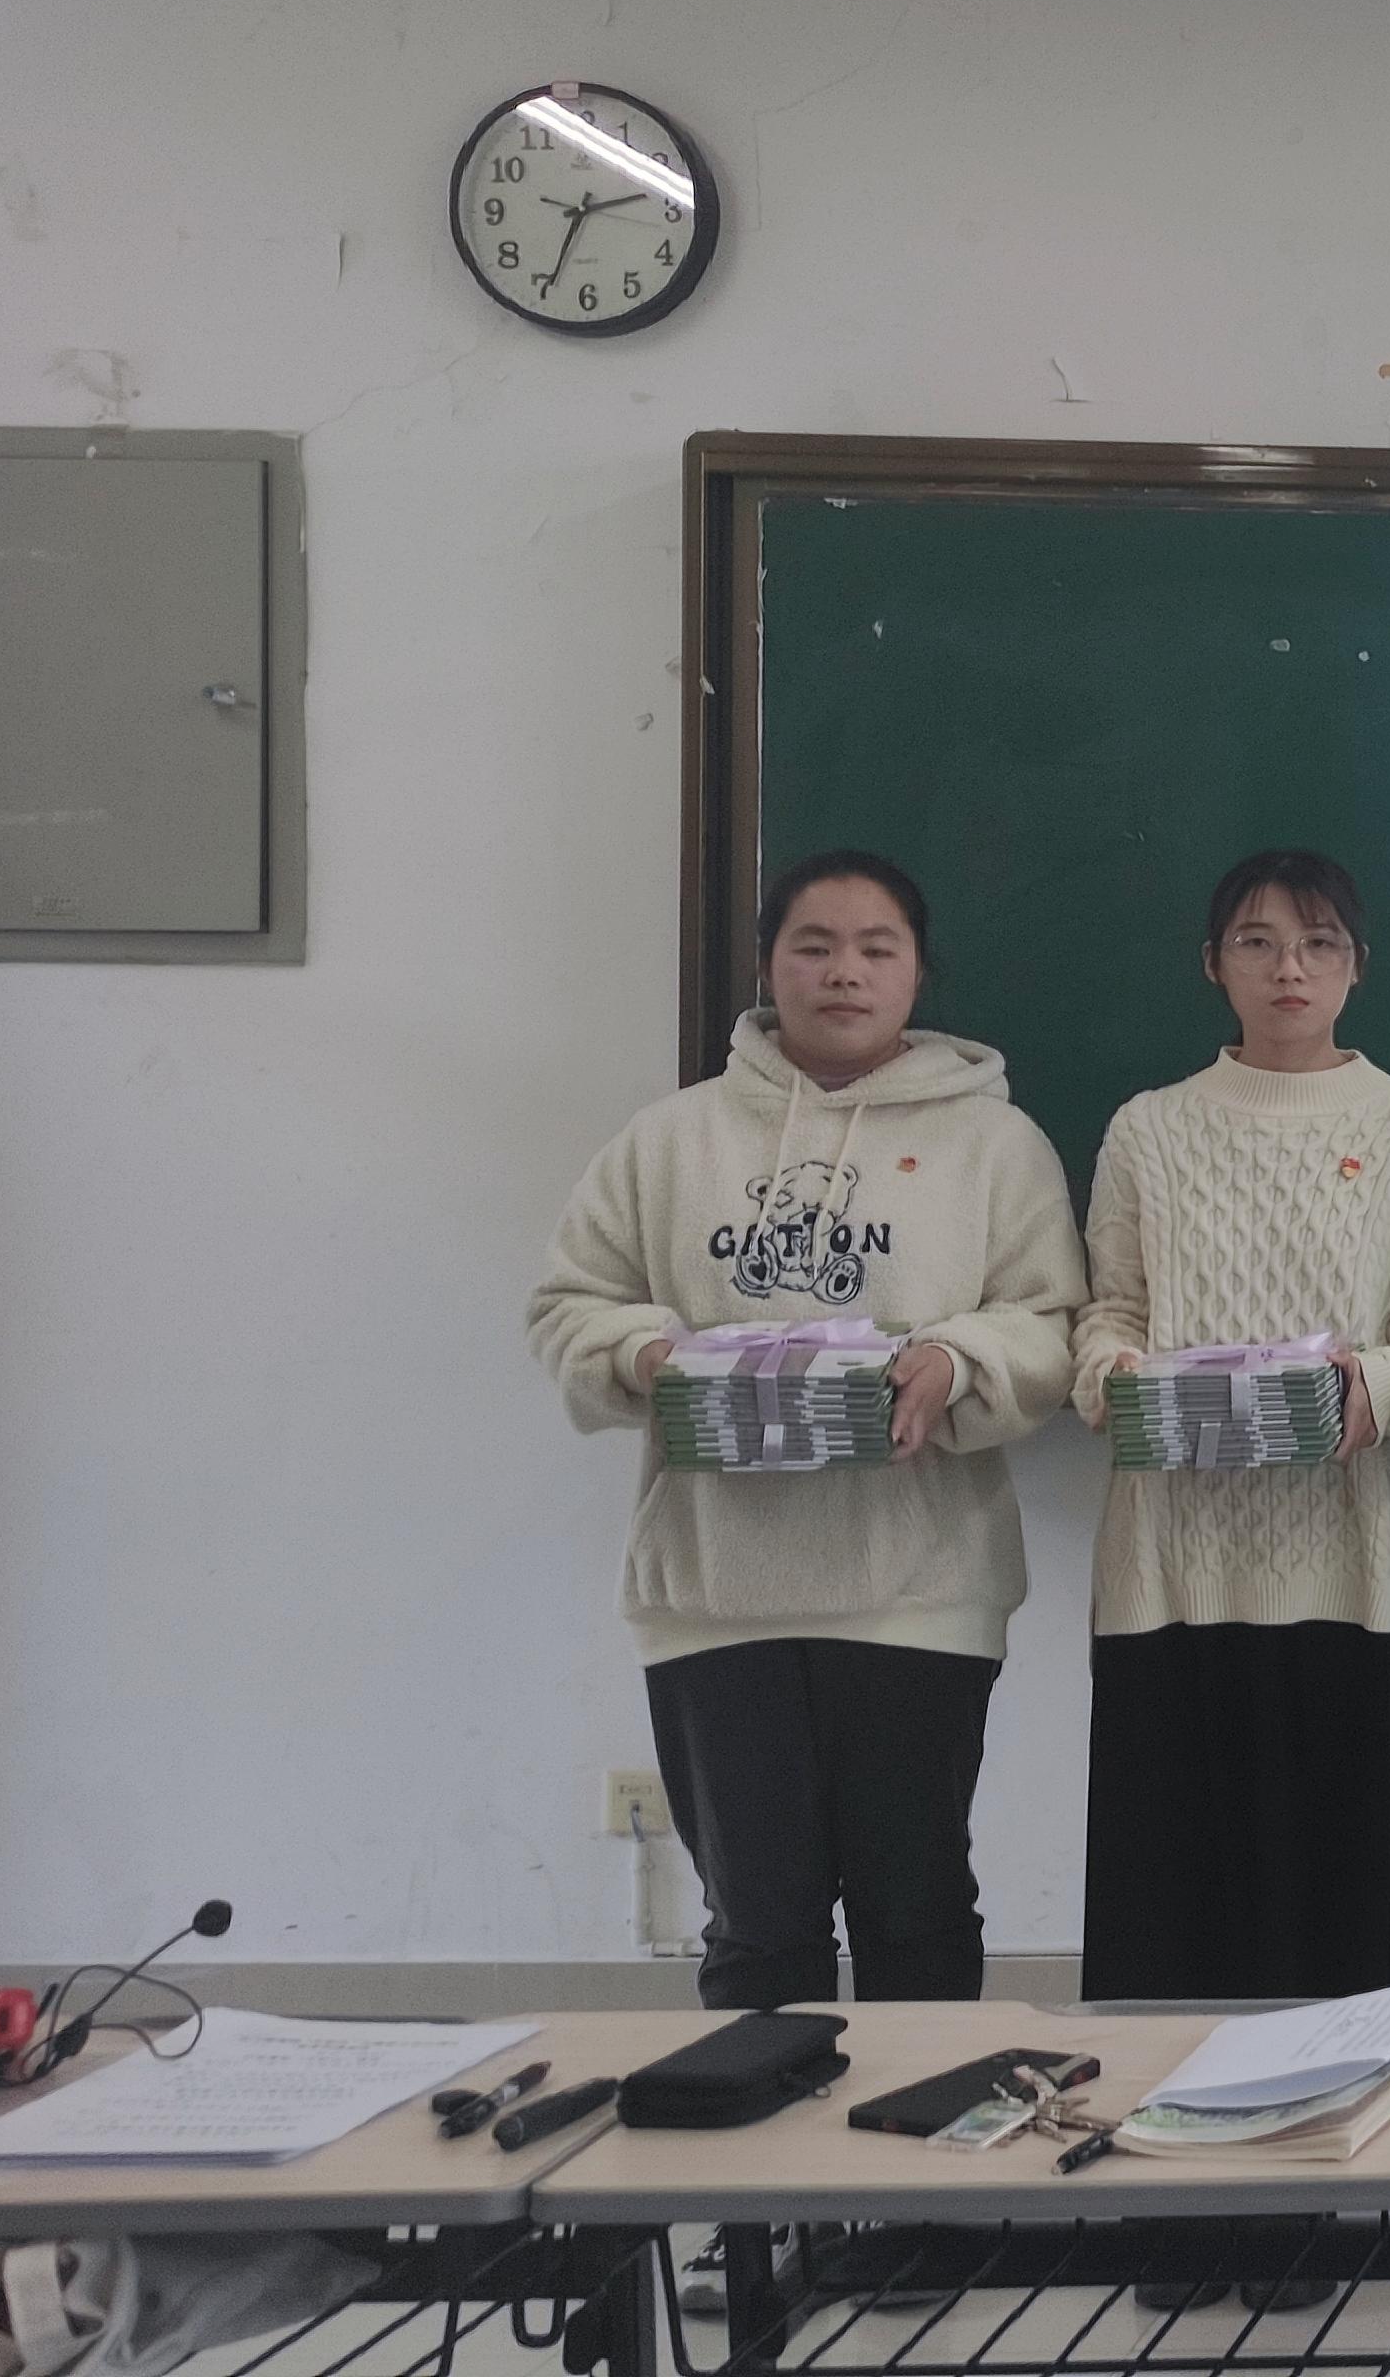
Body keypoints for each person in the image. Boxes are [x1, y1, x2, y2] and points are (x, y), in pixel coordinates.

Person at [526, 849, 1081, 2010]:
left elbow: (1049, 1324)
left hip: (920, 1589)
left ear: (918, 971)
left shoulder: (997, 1144)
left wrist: (958, 1358)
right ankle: (757, 2135)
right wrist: (646, 1354)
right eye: (813, 946)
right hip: (714, 1593)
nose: (844, 972)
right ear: (767, 964)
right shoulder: (669, 1140)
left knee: (916, 1909)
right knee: (758, 1923)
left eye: (877, 948)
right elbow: (568, 1305)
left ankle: (924, 2136)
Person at [1069, 851, 1390, 2009]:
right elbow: (1108, 1311)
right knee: (1174, 1910)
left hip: (1351, 1563)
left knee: (1349, 1913)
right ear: (1213, 964)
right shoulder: (1148, 1129)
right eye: (1256, 941)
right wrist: (1113, 1376)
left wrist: (1373, 1386)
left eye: (1318, 942)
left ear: (1356, 965)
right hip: (1172, 1570)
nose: (1289, 966)